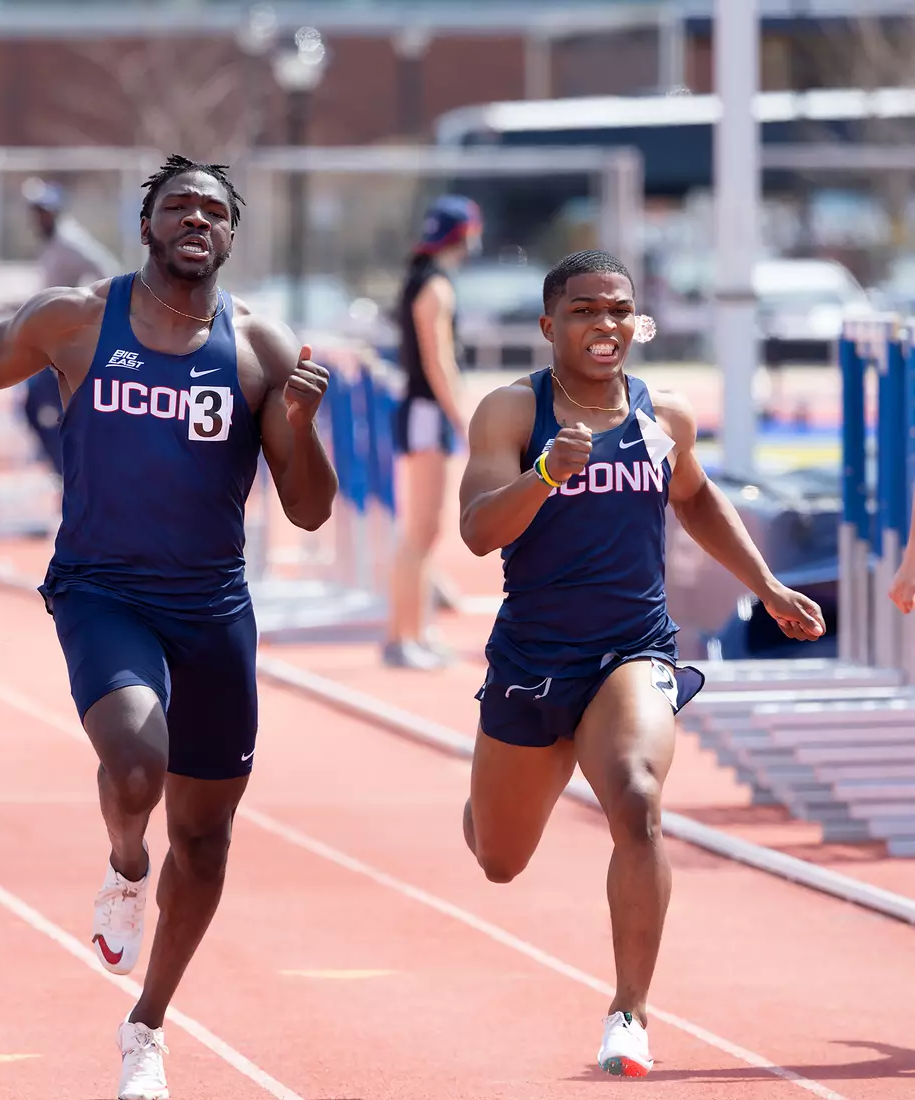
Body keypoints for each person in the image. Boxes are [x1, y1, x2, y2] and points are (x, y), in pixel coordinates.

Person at [0, 154, 337, 1100]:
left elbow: (309, 512)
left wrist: (300, 425)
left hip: (213, 607)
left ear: (231, 236)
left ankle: (146, 1024)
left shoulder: (263, 351)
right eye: (179, 205)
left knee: (210, 841)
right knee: (139, 766)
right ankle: (122, 862)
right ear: (147, 226)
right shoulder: (75, 320)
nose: (197, 218)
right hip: (101, 589)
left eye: (215, 211)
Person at [457, 249, 825, 1078]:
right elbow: (479, 530)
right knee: (499, 858)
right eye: (585, 311)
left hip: (635, 646)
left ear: (638, 322)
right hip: (535, 655)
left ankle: (629, 1011)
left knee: (639, 800)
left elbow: (691, 495)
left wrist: (765, 586)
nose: (605, 325)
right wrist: (546, 474)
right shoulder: (512, 413)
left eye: (619, 310)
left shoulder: (667, 414)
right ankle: (491, 797)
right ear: (551, 326)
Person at [385, 194, 482, 670]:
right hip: (427, 410)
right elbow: (437, 359)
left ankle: (417, 630)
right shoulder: (437, 287)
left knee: (427, 530)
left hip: (423, 409)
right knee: (420, 531)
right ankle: (402, 637)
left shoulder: (424, 280)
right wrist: (460, 415)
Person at [21, 178, 122, 474]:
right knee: (48, 409)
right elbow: (50, 291)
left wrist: (87, 308)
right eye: (35, 211)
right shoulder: (53, 243)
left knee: (50, 407)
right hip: (53, 340)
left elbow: (108, 269)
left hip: (69, 342)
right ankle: (71, 473)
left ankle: (73, 473)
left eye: (42, 210)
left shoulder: (69, 239)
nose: (37, 217)